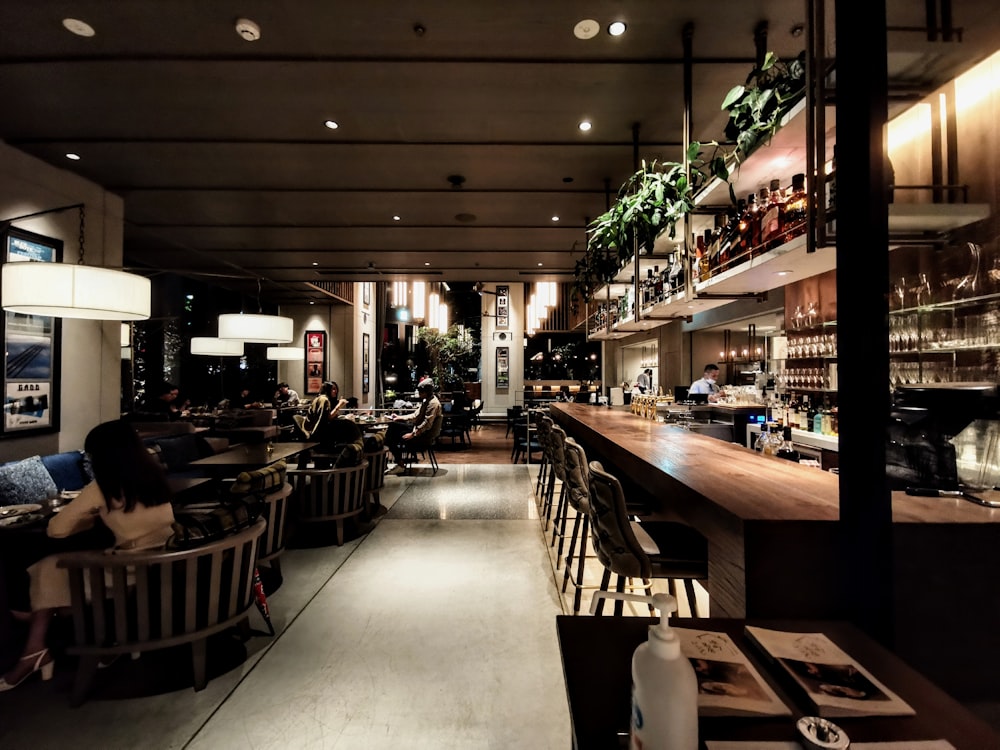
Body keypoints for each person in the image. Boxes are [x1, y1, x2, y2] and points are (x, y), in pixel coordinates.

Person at [0, 420, 175, 691]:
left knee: (49, 566)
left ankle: (35, 648)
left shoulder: (104, 486)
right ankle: (94, 635)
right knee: (57, 569)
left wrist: (88, 518)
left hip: (127, 569)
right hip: (163, 561)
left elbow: (57, 530)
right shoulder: (154, 477)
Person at [385, 378, 442, 471]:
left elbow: (427, 424)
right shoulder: (427, 401)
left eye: (420, 391)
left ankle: (397, 459)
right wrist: (399, 418)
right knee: (393, 425)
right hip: (418, 429)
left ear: (426, 391)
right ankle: (398, 459)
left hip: (424, 435)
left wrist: (413, 434)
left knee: (392, 435)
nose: (418, 393)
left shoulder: (433, 404)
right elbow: (416, 415)